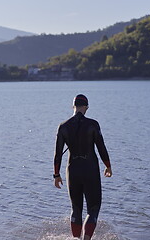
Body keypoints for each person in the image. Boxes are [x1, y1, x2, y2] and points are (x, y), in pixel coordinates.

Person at [53, 94, 112, 239]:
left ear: (73, 106)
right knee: (93, 208)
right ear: (86, 107)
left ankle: (75, 239)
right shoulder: (93, 124)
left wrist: (56, 175)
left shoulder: (63, 126)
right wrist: (108, 166)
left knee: (76, 208)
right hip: (90, 168)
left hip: (72, 169)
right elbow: (101, 148)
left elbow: (57, 154)